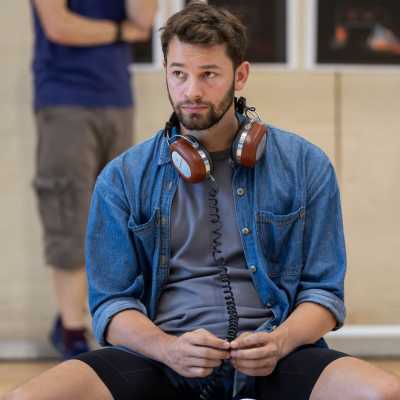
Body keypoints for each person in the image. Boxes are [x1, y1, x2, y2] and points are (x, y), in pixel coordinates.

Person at [6, 2, 400, 399]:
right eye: (179, 74)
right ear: (167, 74)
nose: (191, 90)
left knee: (383, 393)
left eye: (208, 74)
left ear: (240, 75)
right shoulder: (122, 178)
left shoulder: (305, 164)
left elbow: (324, 293)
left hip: (277, 357)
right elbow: (111, 305)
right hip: (161, 360)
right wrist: (168, 348)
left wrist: (280, 342)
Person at [30, 0, 157, 359]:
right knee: (68, 209)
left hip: (117, 97)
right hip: (65, 99)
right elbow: (59, 26)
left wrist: (125, 29)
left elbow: (143, 21)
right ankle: (72, 330)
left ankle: (111, 322)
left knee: (119, 216)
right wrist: (118, 32)